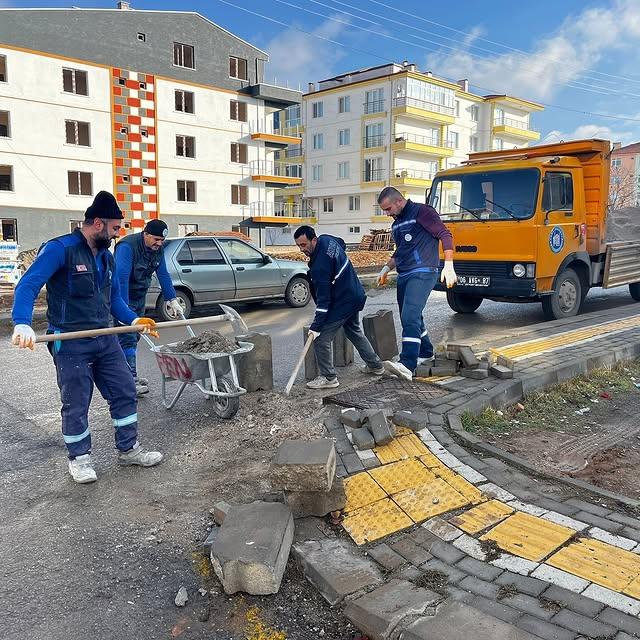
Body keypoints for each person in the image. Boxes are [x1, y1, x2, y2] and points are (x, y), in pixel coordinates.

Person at [11, 191, 164, 484]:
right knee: (76, 402)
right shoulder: (61, 249)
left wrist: (133, 320)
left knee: (124, 390)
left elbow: (114, 299)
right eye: (115, 228)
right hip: (70, 340)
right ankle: (80, 459)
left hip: (105, 337)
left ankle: (129, 449)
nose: (118, 234)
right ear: (97, 223)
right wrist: (22, 323)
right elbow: (28, 285)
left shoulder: (106, 257)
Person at [376, 186, 457, 380]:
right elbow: (401, 250)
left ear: (399, 201)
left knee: (409, 315)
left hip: (423, 271)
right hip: (404, 273)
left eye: (388, 209)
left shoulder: (423, 212)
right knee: (412, 316)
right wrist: (386, 268)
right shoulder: (396, 224)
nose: (387, 214)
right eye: (384, 211)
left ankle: (407, 363)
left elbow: (445, 235)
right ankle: (426, 352)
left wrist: (449, 264)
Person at [294, 225, 384, 389]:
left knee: (321, 339)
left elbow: (324, 301)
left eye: (304, 245)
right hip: (355, 293)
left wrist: (316, 327)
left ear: (314, 240)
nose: (302, 249)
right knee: (353, 331)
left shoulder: (320, 267)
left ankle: (329, 378)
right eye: (299, 245)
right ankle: (376, 366)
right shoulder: (327, 240)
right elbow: (341, 243)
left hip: (344, 301)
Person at [114, 219, 181, 396]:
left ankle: (129, 377)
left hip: (138, 297)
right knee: (126, 337)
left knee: (134, 337)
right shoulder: (127, 247)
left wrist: (172, 299)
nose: (159, 244)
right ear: (146, 234)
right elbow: (121, 279)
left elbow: (163, 273)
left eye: (162, 241)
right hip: (121, 298)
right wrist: (125, 311)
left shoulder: (157, 249)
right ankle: (129, 382)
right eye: (156, 239)